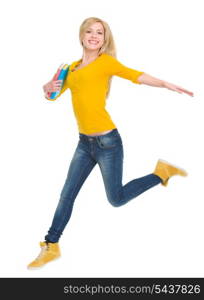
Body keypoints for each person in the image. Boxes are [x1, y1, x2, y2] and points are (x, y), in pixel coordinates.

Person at [27, 17, 194, 269]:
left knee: (116, 199)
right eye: (90, 31)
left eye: (100, 33)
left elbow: (136, 75)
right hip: (84, 144)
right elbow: (51, 95)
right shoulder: (70, 68)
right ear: (81, 35)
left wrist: (164, 84)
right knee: (66, 195)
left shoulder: (106, 63)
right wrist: (46, 86)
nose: (94, 36)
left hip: (108, 143)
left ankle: (161, 173)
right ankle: (51, 245)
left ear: (104, 40)